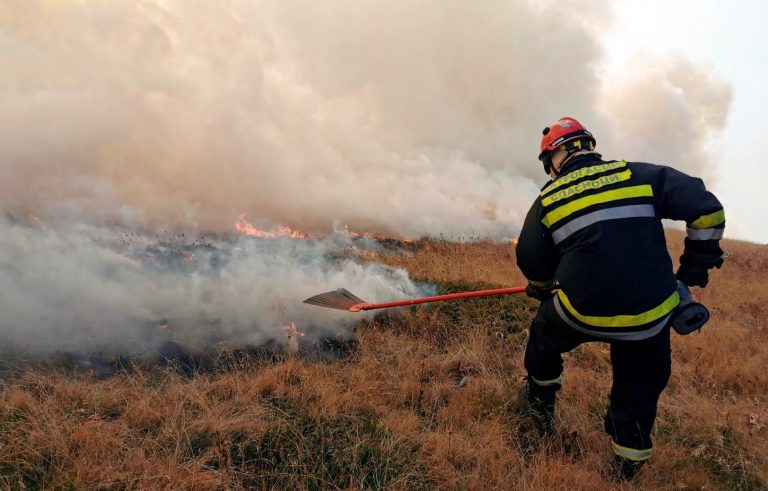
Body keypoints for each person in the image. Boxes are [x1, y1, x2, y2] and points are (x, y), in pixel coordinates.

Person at [515, 117, 725, 481]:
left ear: (557, 156)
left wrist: (543, 286)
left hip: (581, 311)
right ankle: (627, 466)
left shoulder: (548, 200)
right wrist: (692, 271)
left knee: (545, 334)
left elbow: (531, 260)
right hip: (650, 316)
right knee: (640, 383)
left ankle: (539, 404)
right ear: (589, 148)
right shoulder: (641, 175)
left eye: (548, 161)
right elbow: (707, 209)